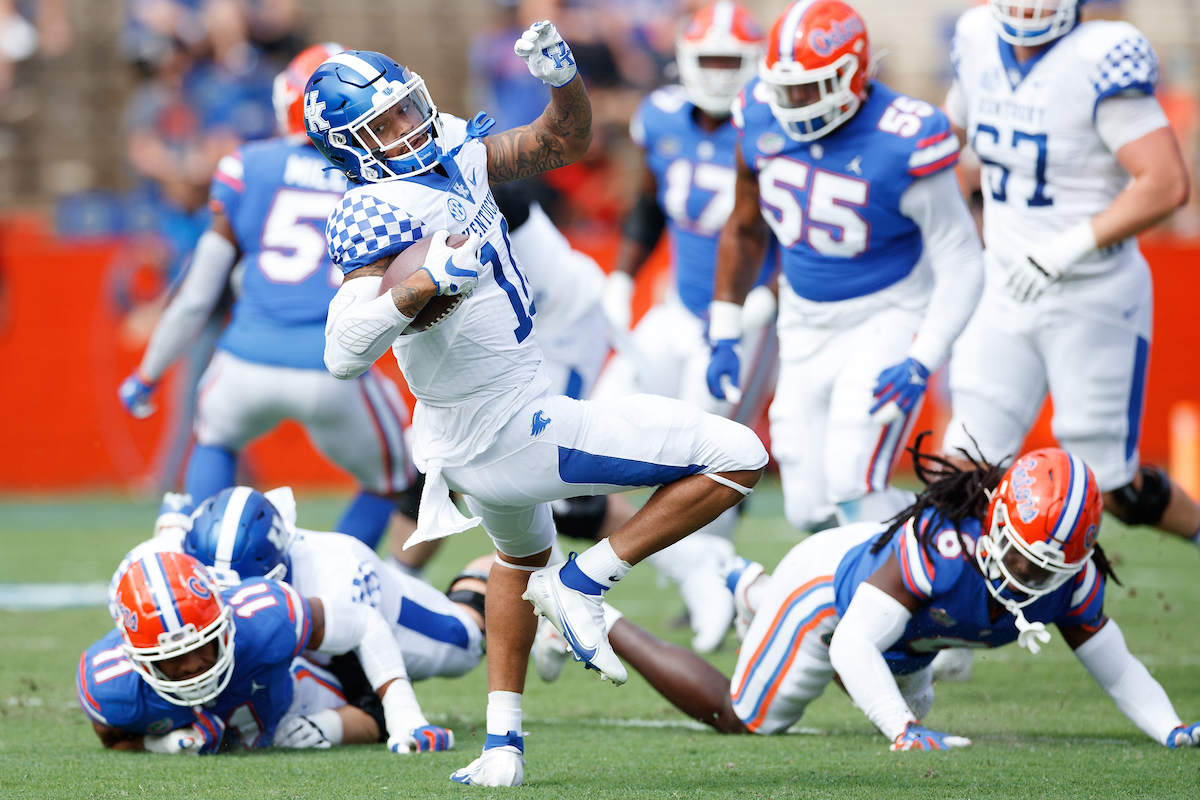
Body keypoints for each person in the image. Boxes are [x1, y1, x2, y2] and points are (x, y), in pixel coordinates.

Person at [303, 25, 767, 786]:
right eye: (385, 124)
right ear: (349, 148)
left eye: (408, 106)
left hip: (479, 430)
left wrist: (562, 78)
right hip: (509, 430)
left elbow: (562, 140)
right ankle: (583, 584)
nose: (410, 125)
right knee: (739, 456)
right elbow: (342, 349)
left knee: (518, 562)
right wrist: (425, 283)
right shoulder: (373, 208)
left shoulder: (451, 150)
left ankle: (502, 747)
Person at [113, 484, 746, 740]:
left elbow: (368, 664)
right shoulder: (185, 560)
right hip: (313, 622)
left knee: (467, 639)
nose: (230, 599)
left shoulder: (334, 571)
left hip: (378, 620)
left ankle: (536, 583)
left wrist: (373, 721)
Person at [118, 43, 419, 552]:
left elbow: (196, 295)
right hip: (333, 364)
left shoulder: (247, 165)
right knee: (393, 479)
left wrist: (147, 375)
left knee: (214, 440)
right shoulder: (381, 175)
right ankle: (335, 582)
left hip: (244, 360)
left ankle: (206, 574)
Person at [706, 0, 985, 532]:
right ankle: (918, 549)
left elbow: (962, 258)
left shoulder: (903, 137)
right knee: (808, 508)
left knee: (854, 485)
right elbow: (743, 227)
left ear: (853, 74)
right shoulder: (759, 114)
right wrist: (724, 330)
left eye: (811, 87)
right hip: (804, 323)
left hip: (887, 314)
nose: (795, 103)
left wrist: (923, 357)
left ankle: (946, 560)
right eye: (786, 88)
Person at [725, 441, 1200, 749]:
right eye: (1018, 555)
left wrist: (1172, 728)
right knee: (750, 720)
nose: (1025, 576)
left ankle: (757, 596)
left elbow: (1118, 670)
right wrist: (903, 730)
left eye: (1046, 570)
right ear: (995, 518)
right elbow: (852, 642)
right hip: (826, 590)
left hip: (902, 637)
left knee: (896, 693)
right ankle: (749, 590)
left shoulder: (1073, 583)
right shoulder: (944, 549)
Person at [941, 0, 1200, 545]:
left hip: (1091, 292)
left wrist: (1065, 249)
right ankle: (960, 595)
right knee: (963, 467)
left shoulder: (1099, 56)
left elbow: (1167, 183)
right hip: (1004, 286)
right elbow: (944, 144)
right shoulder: (977, 37)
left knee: (1111, 488)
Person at [588, 1, 771, 653]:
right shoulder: (659, 116)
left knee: (706, 456)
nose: (719, 74)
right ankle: (710, 577)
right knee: (592, 426)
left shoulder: (773, 124)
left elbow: (792, 228)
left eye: (731, 60)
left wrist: (768, 299)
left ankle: (722, 588)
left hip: (744, 316)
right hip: (673, 309)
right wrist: (621, 277)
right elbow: (647, 206)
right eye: (709, 59)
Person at [79, 551, 453, 754]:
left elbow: (364, 623)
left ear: (225, 622)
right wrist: (161, 743)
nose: (194, 665)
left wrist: (403, 715)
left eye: (203, 643)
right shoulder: (111, 686)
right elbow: (113, 738)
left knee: (460, 644)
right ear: (138, 656)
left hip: (291, 698)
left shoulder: (265, 617)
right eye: (172, 657)